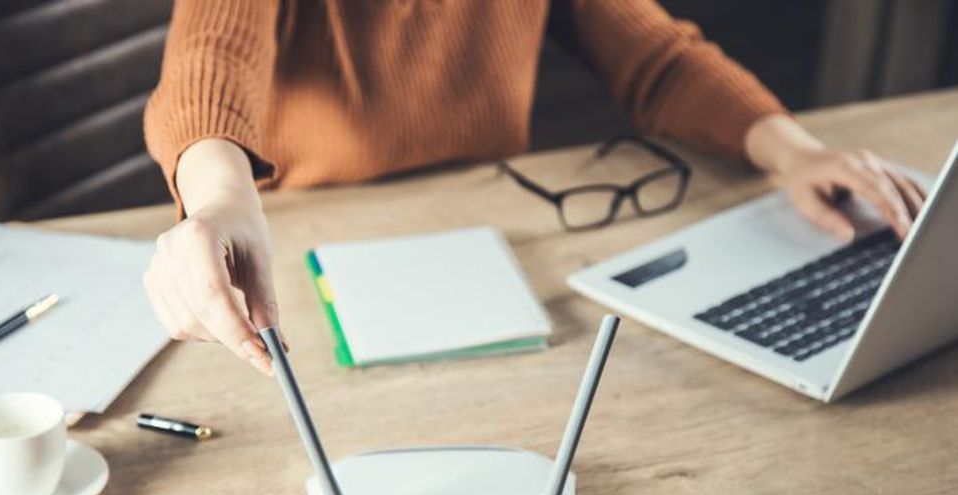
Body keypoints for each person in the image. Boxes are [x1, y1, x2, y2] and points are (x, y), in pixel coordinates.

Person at [142, 0, 926, 376]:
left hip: (491, 245)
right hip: (309, 263)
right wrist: (217, 198)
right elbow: (207, 63)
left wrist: (795, 153)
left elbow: (658, 58)